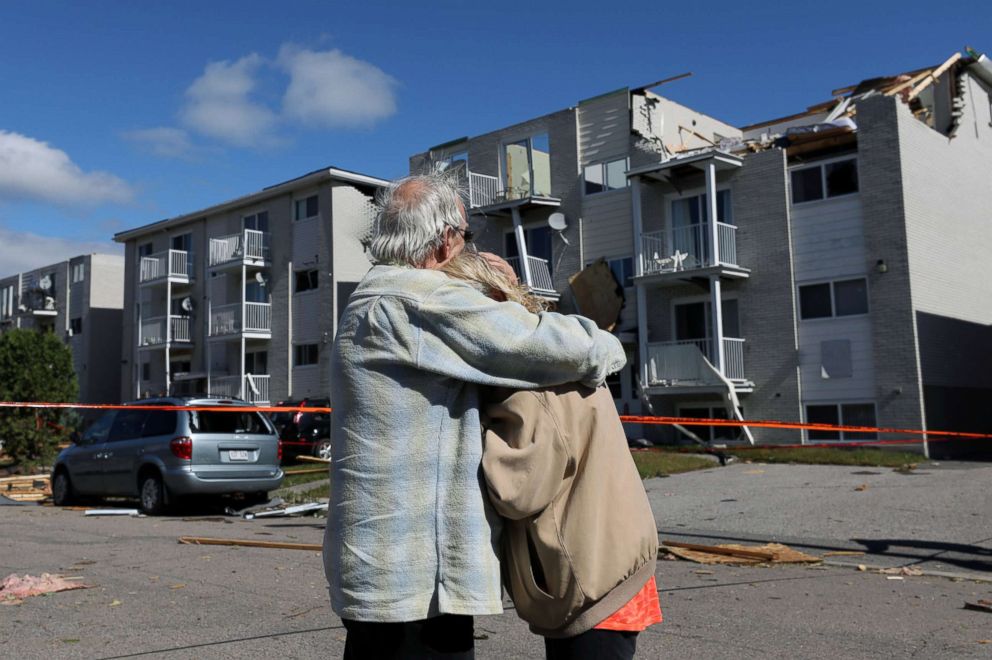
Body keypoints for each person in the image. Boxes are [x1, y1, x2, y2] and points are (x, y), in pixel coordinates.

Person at [323, 172, 627, 659]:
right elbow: (543, 345)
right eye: (466, 236)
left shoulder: (374, 296)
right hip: (415, 577)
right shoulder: (418, 298)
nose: (467, 249)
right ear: (445, 240)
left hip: (384, 566)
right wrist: (609, 345)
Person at [443, 253, 662, 660]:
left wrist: (467, 429)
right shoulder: (559, 352)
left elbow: (518, 489)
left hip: (593, 579)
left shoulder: (529, 378)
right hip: (613, 561)